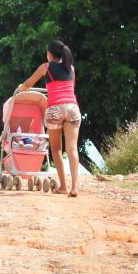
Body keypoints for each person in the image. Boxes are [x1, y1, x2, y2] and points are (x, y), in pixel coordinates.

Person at [17, 40, 81, 196]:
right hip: (72, 108)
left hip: (55, 110)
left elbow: (28, 83)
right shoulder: (70, 68)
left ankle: (63, 187)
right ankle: (75, 187)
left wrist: (21, 88)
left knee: (57, 149)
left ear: (49, 54)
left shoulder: (45, 67)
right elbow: (70, 89)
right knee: (72, 148)